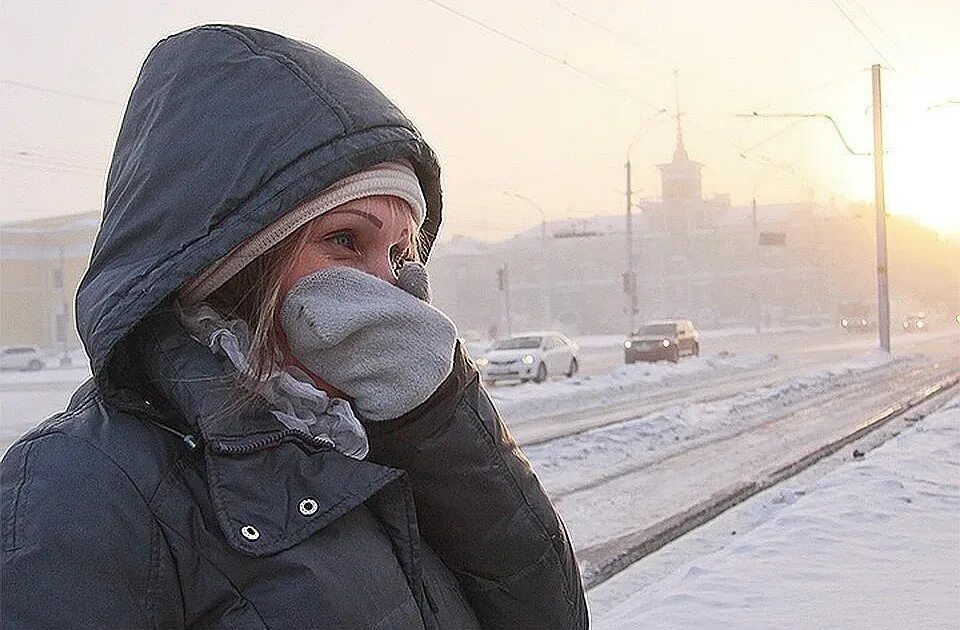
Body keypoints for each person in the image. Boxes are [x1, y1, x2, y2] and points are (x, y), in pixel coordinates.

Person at [0, 24, 588, 630]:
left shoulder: (368, 436)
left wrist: (435, 417)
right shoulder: (78, 486)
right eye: (344, 240)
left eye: (400, 254)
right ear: (231, 265)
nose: (389, 288)